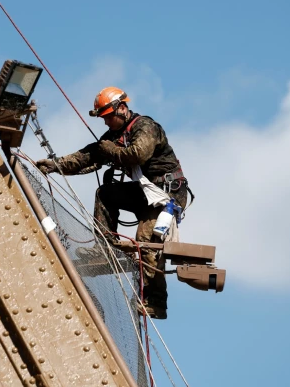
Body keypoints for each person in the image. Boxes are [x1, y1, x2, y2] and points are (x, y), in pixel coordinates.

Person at [36, 87, 190, 319]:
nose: (106, 122)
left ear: (122, 108)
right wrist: (55, 165)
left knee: (146, 241)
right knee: (106, 193)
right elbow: (87, 157)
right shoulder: (114, 137)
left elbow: (138, 154)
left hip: (166, 195)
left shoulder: (145, 127)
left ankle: (156, 302)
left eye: (109, 116)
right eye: (104, 118)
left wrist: (109, 148)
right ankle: (104, 247)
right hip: (145, 193)